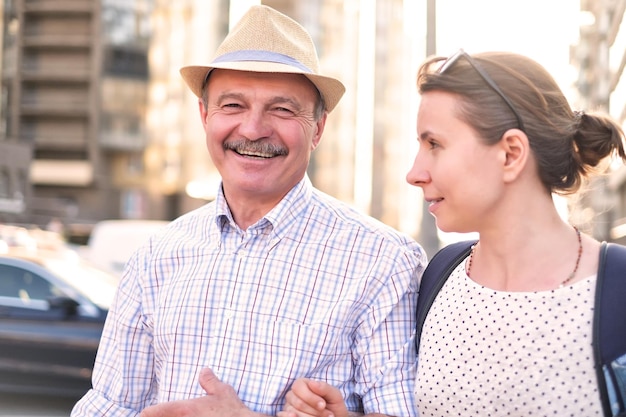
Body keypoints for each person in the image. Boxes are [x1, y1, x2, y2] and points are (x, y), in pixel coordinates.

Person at [71, 5, 426, 417]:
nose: (254, 129)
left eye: (282, 109)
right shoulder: (156, 257)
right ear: (205, 116)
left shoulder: (383, 261)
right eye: (233, 105)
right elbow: (109, 405)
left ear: (319, 128)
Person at [279, 49, 626, 417]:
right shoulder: (440, 276)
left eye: (434, 144)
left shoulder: (617, 287)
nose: (414, 173)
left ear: (510, 154)